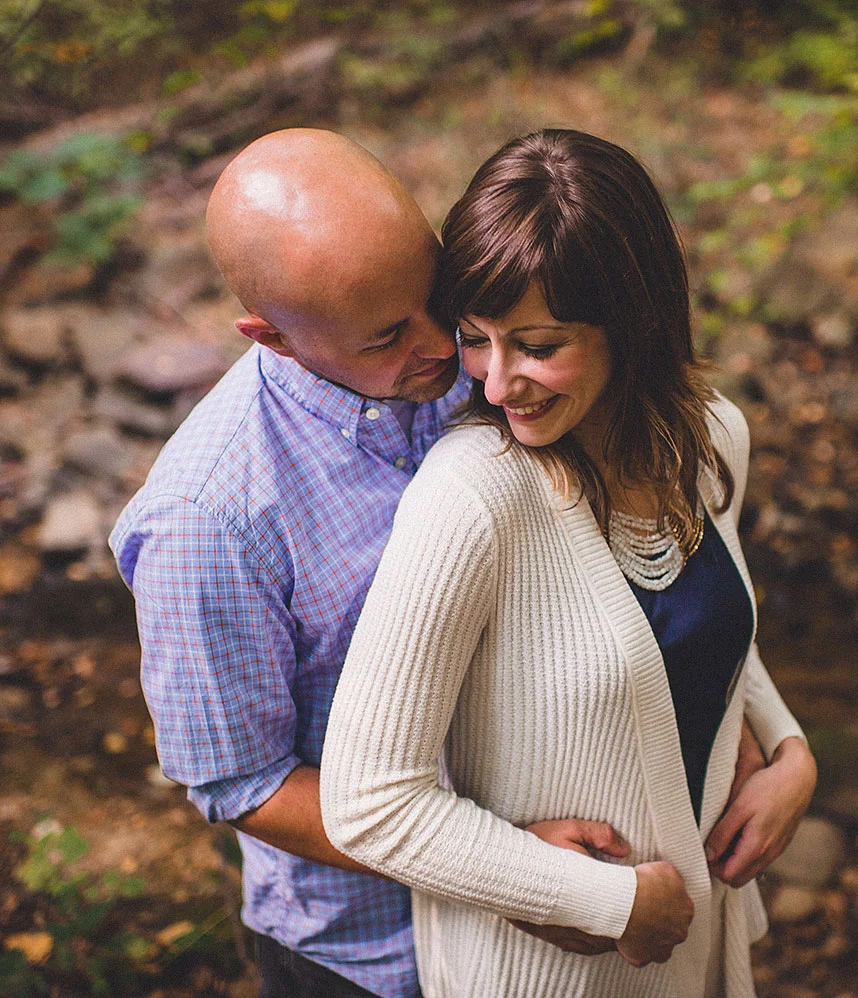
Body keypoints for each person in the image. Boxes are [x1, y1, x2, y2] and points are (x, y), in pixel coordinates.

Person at [109, 128, 770, 998]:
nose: (451, 358)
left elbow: (647, 567)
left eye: (439, 301)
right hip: (371, 956)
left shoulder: (486, 355)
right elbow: (245, 780)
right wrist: (520, 871)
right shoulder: (207, 521)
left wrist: (766, 740)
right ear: (270, 337)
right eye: (388, 337)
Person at [319, 129, 818, 998]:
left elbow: (698, 622)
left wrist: (789, 751)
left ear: (635, 322)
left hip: (696, 961)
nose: (497, 382)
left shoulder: (710, 442)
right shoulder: (472, 497)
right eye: (476, 339)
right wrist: (601, 899)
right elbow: (368, 802)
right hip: (543, 978)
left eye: (539, 345)